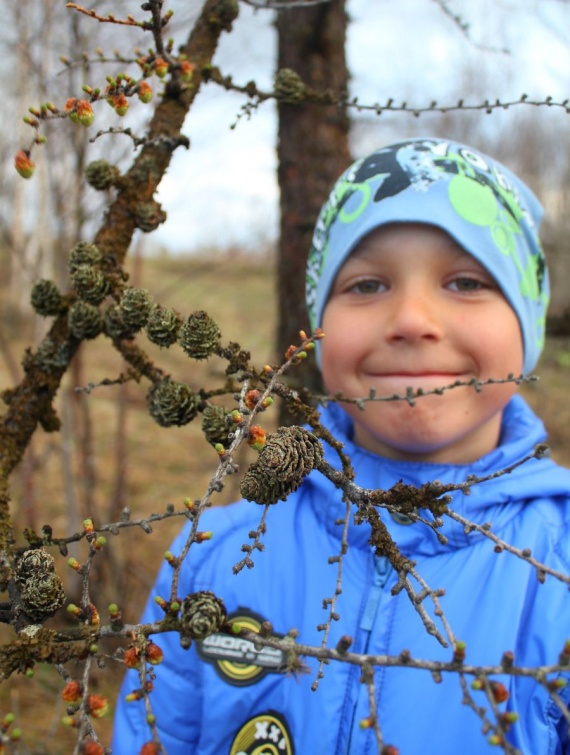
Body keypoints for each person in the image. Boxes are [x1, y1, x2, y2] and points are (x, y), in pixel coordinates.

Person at [112, 138, 570, 755]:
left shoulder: (558, 573)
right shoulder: (209, 562)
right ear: (317, 330)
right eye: (366, 284)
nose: (411, 318)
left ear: (528, 321)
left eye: (465, 281)